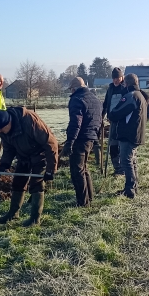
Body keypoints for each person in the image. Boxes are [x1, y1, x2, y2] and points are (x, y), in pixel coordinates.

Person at [0, 108, 58, 226]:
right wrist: (4, 164)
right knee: (18, 183)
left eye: (1, 129)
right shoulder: (3, 130)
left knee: (36, 184)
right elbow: (8, 149)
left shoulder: (30, 121)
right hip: (23, 156)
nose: (0, 132)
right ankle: (13, 214)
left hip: (40, 153)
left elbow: (51, 143)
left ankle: (35, 219)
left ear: (9, 122)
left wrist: (51, 169)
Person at [62, 77, 103, 207]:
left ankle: (83, 203)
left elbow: (76, 123)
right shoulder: (96, 99)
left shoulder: (76, 99)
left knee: (77, 171)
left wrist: (70, 142)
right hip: (91, 138)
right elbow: (99, 120)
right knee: (84, 169)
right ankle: (89, 198)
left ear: (74, 88)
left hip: (80, 138)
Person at [107, 73, 147, 198]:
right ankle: (134, 187)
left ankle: (129, 190)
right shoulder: (140, 95)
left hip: (128, 134)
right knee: (132, 161)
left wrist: (111, 114)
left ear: (126, 83)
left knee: (126, 161)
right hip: (137, 133)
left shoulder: (130, 96)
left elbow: (117, 112)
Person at [102, 67, 127, 175]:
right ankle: (117, 168)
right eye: (114, 78)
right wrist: (101, 117)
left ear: (122, 77)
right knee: (113, 146)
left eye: (117, 77)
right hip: (112, 122)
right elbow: (106, 103)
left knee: (122, 146)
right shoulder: (110, 89)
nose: (115, 80)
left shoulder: (125, 88)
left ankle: (124, 168)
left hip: (123, 123)